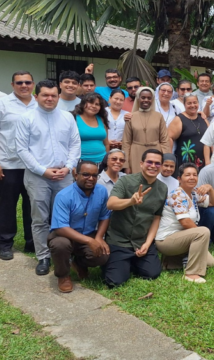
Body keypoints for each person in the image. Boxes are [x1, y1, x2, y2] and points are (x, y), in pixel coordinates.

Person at [16, 79, 81, 276]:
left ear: (58, 96)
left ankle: (65, 254)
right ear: (36, 97)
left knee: (65, 217)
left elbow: (75, 144)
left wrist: (69, 167)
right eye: (45, 95)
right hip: (38, 176)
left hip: (64, 175)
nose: (50, 99)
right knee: (40, 218)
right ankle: (43, 256)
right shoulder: (26, 118)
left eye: (53, 95)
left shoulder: (67, 118)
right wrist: (43, 170)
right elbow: (22, 149)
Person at [0, 70, 33, 258]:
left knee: (32, 206)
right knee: (7, 206)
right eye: (19, 83)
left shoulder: (39, 105)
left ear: (33, 84)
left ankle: (31, 242)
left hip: (32, 166)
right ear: (12, 85)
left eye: (27, 82)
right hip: (8, 165)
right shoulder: (1, 105)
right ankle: (5, 243)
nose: (24, 86)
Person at [104, 149, 166, 287]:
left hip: (141, 240)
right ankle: (122, 263)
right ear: (141, 163)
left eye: (157, 163)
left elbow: (156, 218)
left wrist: (147, 243)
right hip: (120, 240)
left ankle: (130, 262)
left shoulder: (162, 188)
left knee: (152, 273)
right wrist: (130, 201)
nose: (153, 166)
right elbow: (111, 204)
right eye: (149, 162)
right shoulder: (125, 181)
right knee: (115, 281)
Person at [48, 160, 111, 293]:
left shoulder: (101, 191)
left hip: (88, 233)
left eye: (95, 175)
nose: (91, 179)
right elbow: (60, 227)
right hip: (64, 235)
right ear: (76, 175)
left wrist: (99, 237)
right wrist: (89, 241)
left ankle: (79, 263)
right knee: (60, 245)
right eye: (86, 174)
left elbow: (105, 216)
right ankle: (63, 276)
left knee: (102, 256)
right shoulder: (64, 196)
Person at [155, 163, 214, 283]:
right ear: (179, 179)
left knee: (210, 262)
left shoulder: (193, 194)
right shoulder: (177, 195)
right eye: (187, 175)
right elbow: (185, 222)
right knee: (203, 231)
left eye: (195, 175)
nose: (192, 177)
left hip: (181, 237)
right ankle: (191, 274)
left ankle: (170, 262)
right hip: (166, 240)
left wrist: (210, 188)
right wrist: (199, 237)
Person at [122, 87, 171, 174]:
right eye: (143, 97)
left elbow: (165, 140)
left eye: (149, 98)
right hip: (136, 154)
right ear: (138, 98)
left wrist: (166, 161)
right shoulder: (131, 117)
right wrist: (126, 165)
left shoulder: (159, 116)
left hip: (156, 152)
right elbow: (126, 142)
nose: (146, 100)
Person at [168, 94, 209, 170]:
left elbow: (211, 137)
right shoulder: (179, 119)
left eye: (195, 102)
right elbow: (169, 138)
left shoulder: (203, 117)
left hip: (205, 161)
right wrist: (169, 158)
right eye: (189, 103)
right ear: (184, 104)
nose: (192, 105)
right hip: (186, 161)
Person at [73, 93, 109, 164]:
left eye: (97, 104)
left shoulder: (102, 119)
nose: (93, 106)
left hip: (101, 162)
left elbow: (106, 144)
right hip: (81, 162)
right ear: (83, 103)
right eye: (91, 102)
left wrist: (106, 160)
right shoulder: (74, 118)